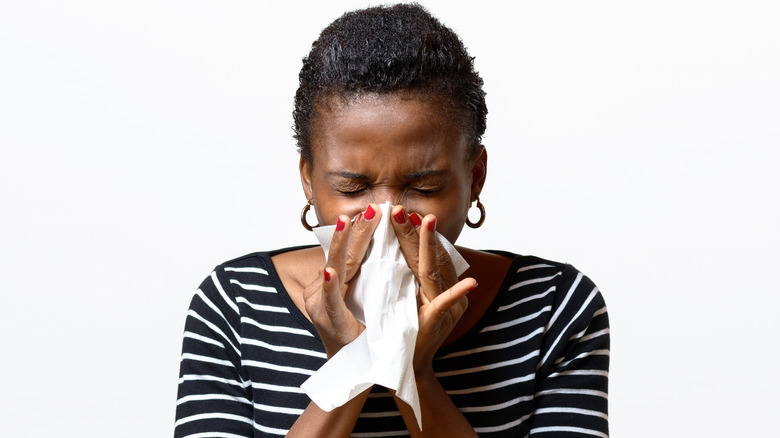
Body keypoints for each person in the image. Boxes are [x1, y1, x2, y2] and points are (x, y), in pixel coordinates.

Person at [174, 3, 609, 437]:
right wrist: (350, 365)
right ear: (309, 179)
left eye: (424, 188)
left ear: (474, 178)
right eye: (351, 187)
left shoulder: (554, 307)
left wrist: (414, 372)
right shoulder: (236, 304)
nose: (385, 218)